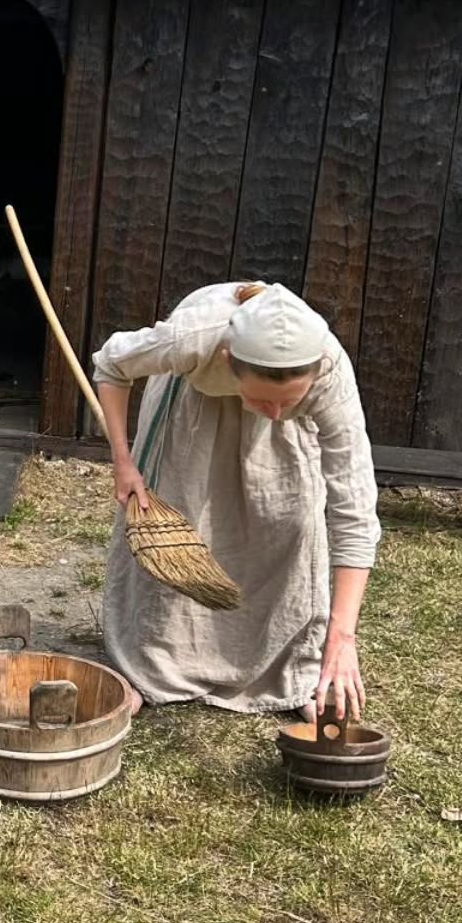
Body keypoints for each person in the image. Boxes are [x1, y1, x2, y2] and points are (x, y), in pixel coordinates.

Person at [92, 281, 380, 723]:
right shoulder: (194, 337)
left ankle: (292, 672)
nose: (275, 413)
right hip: (194, 407)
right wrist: (122, 460)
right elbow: (112, 364)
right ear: (229, 360)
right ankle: (151, 668)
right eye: (265, 400)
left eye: (288, 400)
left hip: (287, 432)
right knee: (184, 512)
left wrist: (343, 636)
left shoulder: (328, 370)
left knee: (293, 522)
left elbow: (354, 506)